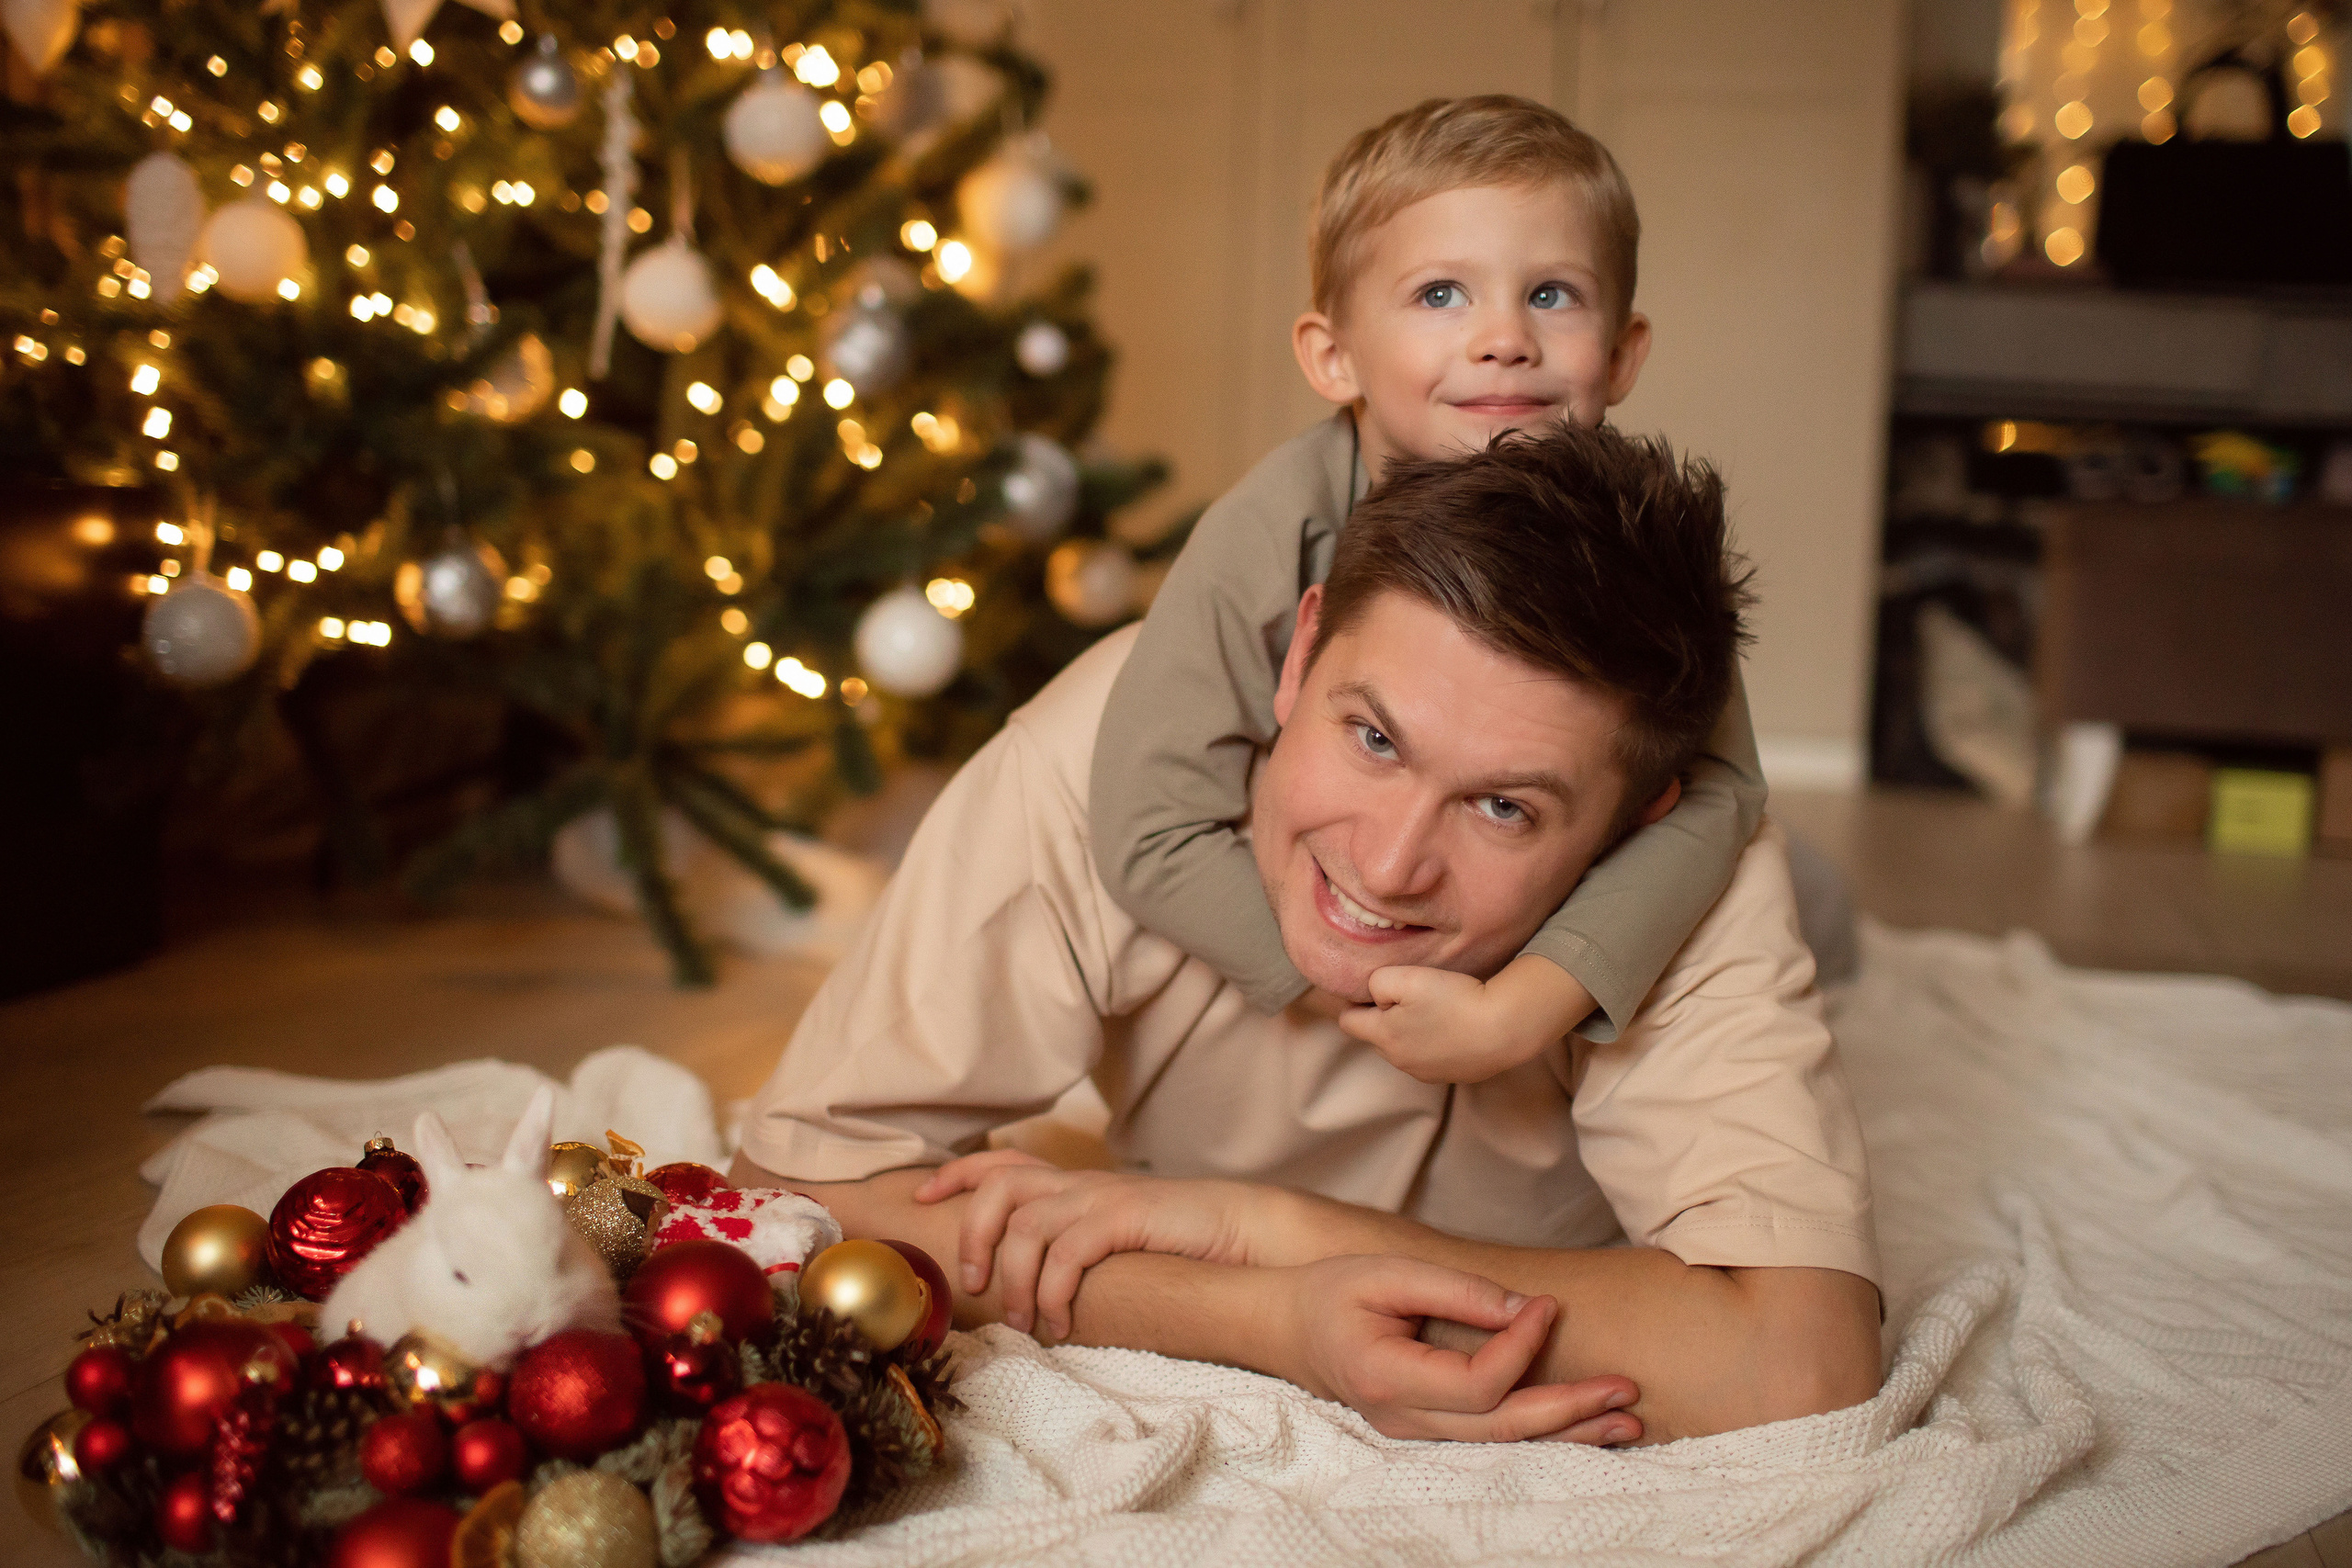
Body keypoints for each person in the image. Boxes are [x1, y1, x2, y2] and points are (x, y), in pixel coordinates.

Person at [733, 427, 1882, 1449]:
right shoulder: (1113, 749)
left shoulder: (1695, 870)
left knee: (1827, 924)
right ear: (1301, 652)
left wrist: (1263, 1232)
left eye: (1502, 807)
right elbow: (789, 1189)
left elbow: (1800, 1362)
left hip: (1750, 900)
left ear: (1637, 827)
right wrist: (1262, 1318)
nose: (1387, 866)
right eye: (1374, 739)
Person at [1090, 95, 1770, 1088]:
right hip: (1343, 879)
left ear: (1622, 356)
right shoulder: (1268, 532)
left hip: (1545, 841)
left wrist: (1526, 1003)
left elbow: (1720, 792)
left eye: (1551, 295)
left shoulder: (1624, 549)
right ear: (1333, 356)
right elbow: (1147, 824)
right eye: (1441, 293)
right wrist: (1355, 979)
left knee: (1758, 882)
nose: (1505, 338)